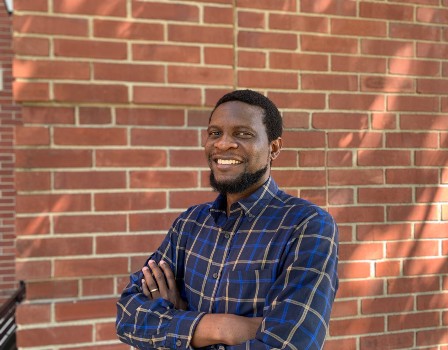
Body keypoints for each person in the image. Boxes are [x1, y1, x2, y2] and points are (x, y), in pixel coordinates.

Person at [116, 89, 339, 349]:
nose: (223, 144)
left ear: (274, 148)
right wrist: (223, 327)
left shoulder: (307, 226)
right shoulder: (190, 224)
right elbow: (128, 316)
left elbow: (289, 345)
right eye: (215, 133)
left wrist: (178, 323)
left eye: (242, 134)